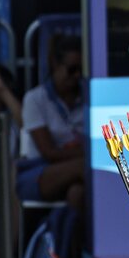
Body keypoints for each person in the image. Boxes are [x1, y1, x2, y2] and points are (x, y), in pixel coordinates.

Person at [16, 35, 84, 213]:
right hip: (39, 171)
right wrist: (86, 152)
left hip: (76, 175)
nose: (77, 76)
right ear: (55, 64)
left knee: (78, 194)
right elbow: (49, 152)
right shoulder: (35, 99)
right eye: (72, 69)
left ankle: (70, 241)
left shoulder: (89, 97)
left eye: (82, 70)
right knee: (86, 166)